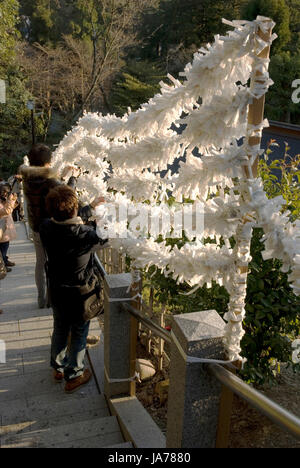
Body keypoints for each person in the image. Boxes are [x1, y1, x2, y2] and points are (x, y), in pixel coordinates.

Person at [39, 185, 107, 393]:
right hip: (80, 294)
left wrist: (91, 206)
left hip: (57, 290)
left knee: (60, 327)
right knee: (79, 330)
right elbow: (104, 238)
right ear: (75, 209)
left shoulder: (45, 227)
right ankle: (74, 374)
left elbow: (65, 219)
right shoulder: (85, 234)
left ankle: (58, 367)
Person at [19, 143, 84, 308]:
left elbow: (51, 187)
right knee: (53, 263)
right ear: (48, 161)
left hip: (36, 226)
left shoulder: (27, 176)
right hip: (53, 227)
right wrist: (73, 177)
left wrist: (62, 175)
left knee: (40, 263)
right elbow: (66, 194)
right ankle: (51, 300)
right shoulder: (49, 180)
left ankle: (41, 300)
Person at [0, 184, 18, 272]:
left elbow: (10, 209)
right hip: (1, 230)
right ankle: (2, 266)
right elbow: (6, 211)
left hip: (5, 229)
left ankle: (5, 260)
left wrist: (13, 200)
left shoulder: (3, 201)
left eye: (6, 192)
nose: (5, 194)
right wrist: (10, 201)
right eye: (4, 192)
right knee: (2, 249)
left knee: (5, 246)